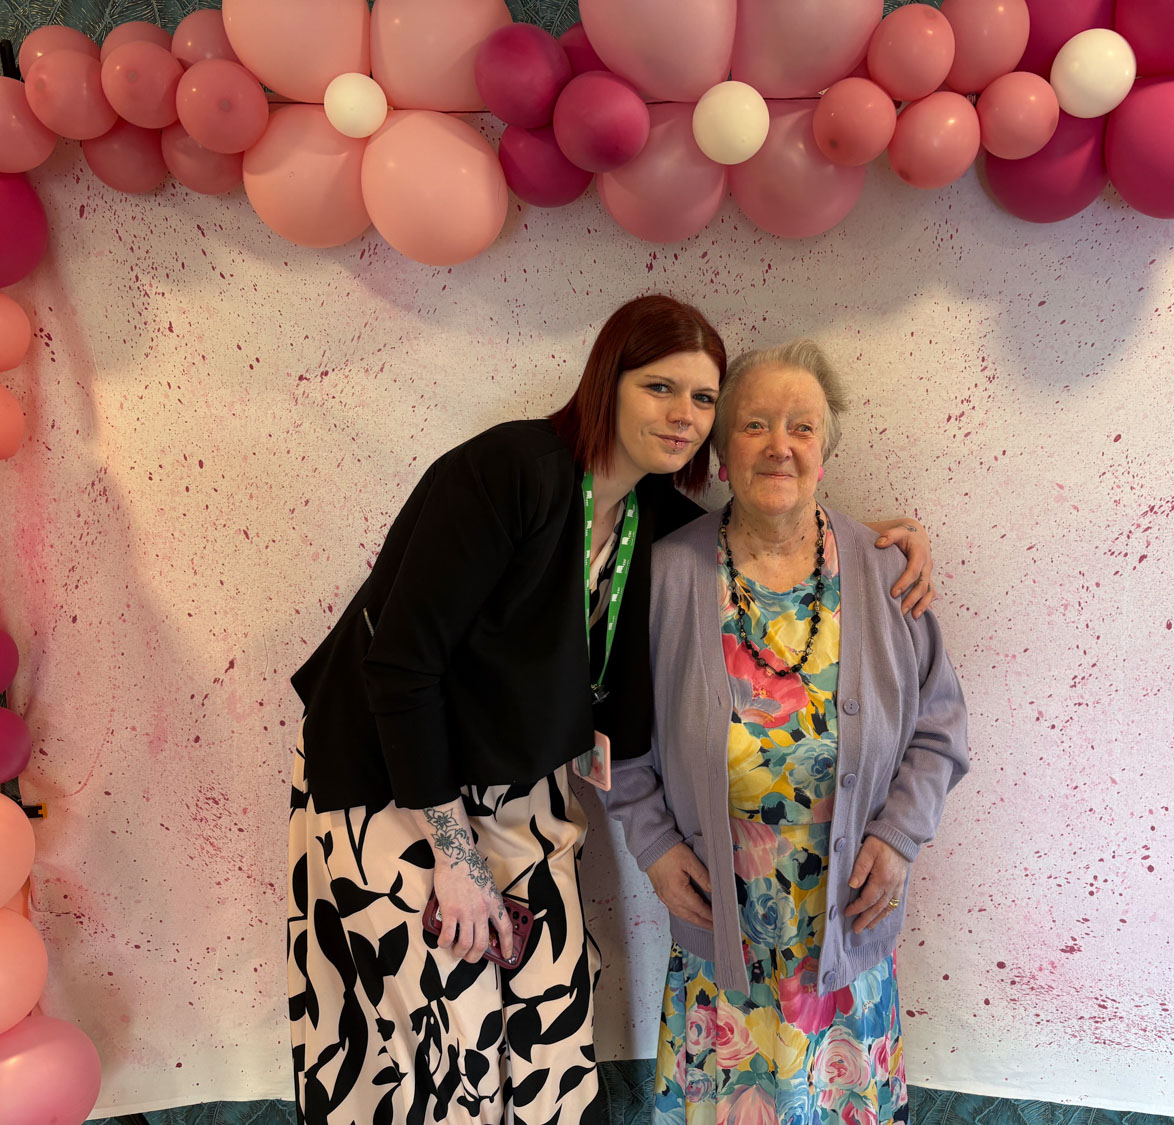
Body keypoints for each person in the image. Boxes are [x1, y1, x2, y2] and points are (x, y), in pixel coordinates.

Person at [286, 299, 937, 1125]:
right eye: (660, 386)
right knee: (442, 1038)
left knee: (552, 1028)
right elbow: (400, 669)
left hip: (517, 789)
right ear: (607, 380)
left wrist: (873, 542)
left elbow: (762, 525)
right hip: (391, 782)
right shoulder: (507, 471)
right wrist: (455, 859)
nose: (683, 414)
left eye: (702, 398)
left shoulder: (648, 515)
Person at [605, 340, 969, 1125]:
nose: (780, 445)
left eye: (801, 427)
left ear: (824, 451)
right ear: (721, 453)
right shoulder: (664, 576)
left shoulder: (885, 571)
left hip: (846, 937)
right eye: (755, 425)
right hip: (722, 945)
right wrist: (653, 845)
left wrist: (899, 838)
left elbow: (940, 724)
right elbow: (612, 737)